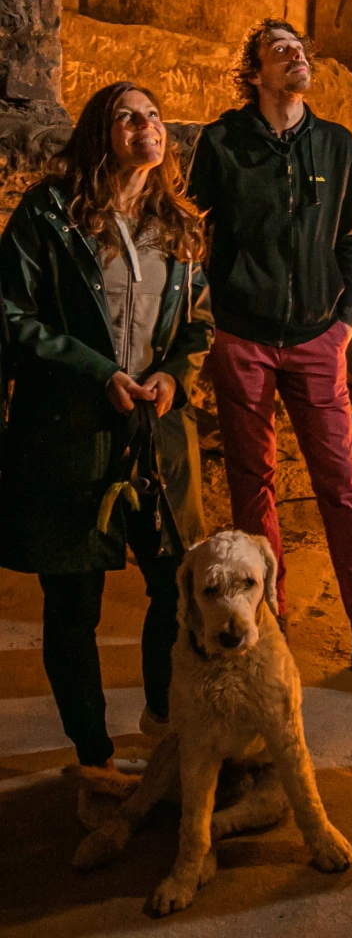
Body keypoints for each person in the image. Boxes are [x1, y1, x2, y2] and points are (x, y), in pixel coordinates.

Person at [187, 19, 352, 699]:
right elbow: (195, 235)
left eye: (302, 50)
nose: (298, 59)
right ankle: (268, 624)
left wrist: (346, 319)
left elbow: (348, 236)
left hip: (318, 337)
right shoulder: (222, 143)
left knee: (341, 486)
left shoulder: (335, 143)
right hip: (244, 339)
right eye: (281, 52)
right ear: (255, 74)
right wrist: (214, 320)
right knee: (251, 488)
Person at [0, 82, 213, 769]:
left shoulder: (177, 224)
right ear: (100, 134)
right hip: (70, 434)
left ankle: (160, 719)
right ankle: (92, 756)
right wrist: (97, 372)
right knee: (74, 603)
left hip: (156, 437)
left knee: (176, 582)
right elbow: (10, 313)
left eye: (152, 115)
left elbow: (200, 325)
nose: (145, 125)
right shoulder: (51, 214)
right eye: (127, 116)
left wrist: (174, 376)